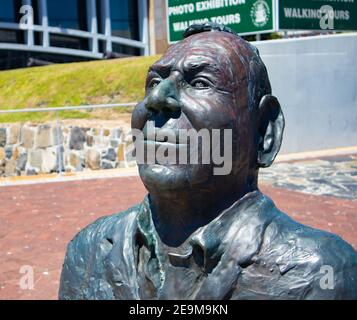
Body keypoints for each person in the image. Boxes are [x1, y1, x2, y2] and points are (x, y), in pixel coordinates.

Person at [59, 23, 357, 300]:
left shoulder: (320, 274)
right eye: (153, 82)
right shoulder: (89, 251)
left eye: (200, 83)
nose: (156, 98)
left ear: (264, 131)